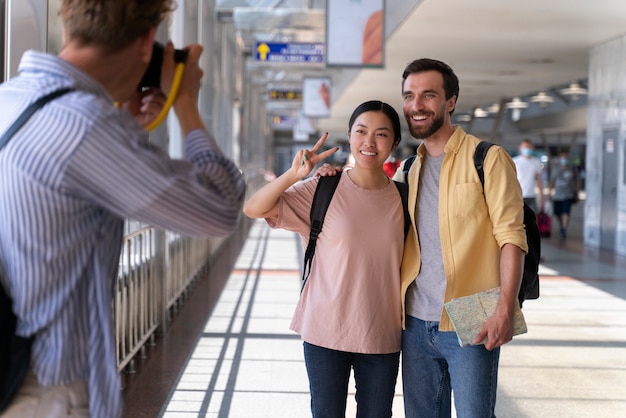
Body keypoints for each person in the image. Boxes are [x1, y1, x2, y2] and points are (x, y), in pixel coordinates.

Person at [0, 1, 246, 417]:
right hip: (49, 388)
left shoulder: (12, 97)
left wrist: (126, 128)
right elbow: (219, 208)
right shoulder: (87, 125)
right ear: (146, 42)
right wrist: (185, 104)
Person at [244, 100, 405, 418]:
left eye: (381, 134)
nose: (369, 142)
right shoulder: (324, 188)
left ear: (395, 142)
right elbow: (254, 208)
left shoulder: (404, 198)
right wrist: (293, 174)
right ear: (349, 136)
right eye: (361, 131)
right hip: (325, 330)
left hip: (382, 332)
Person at [394, 58, 528, 418]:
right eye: (409, 96)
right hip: (415, 320)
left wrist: (504, 309)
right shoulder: (410, 168)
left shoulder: (488, 158)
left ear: (450, 101)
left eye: (428, 95)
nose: (416, 105)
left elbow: (512, 239)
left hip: (473, 313)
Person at [549, 151, 580, 240]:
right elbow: (552, 181)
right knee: (557, 213)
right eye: (563, 158)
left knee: (566, 212)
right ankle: (562, 224)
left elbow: (577, 180)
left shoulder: (572, 169)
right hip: (557, 195)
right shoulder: (556, 169)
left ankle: (564, 229)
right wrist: (550, 192)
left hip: (568, 194)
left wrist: (577, 192)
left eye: (566, 158)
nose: (564, 160)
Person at [512, 139, 545, 213]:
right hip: (518, 196)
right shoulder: (515, 161)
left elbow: (539, 181)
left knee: (532, 220)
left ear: (532, 148)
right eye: (525, 147)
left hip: (531, 196)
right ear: (520, 148)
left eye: (529, 147)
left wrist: (542, 199)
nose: (527, 149)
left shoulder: (536, 162)